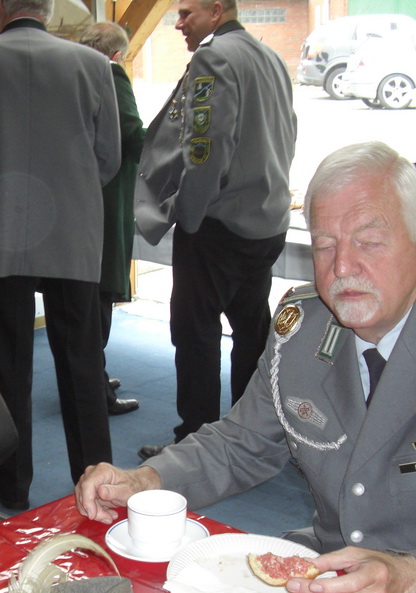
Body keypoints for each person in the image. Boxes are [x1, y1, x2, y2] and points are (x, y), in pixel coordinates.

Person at [77, 142, 416, 593]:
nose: (342, 267)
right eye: (324, 244)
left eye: (369, 241)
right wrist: (148, 479)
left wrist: (413, 577)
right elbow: (242, 443)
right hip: (333, 583)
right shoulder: (303, 328)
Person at [0, 0, 120, 510]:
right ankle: (98, 482)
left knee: (7, 364)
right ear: (47, 11)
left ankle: (11, 485)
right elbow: (109, 159)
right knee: (82, 363)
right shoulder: (94, 64)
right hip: (72, 232)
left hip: (0, 228)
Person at [134, 0, 297, 461]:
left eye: (187, 13)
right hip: (266, 220)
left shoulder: (213, 56)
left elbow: (206, 147)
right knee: (251, 329)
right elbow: (288, 131)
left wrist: (188, 214)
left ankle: (197, 444)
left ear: (217, 10)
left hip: (219, 225)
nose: (179, 23)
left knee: (195, 333)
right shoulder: (269, 56)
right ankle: (251, 436)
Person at [78, 21, 145, 418]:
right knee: (98, 300)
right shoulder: (111, 73)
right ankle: (94, 390)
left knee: (82, 301)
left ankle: (91, 378)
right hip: (105, 202)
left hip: (77, 201)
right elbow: (133, 135)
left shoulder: (72, 70)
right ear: (118, 53)